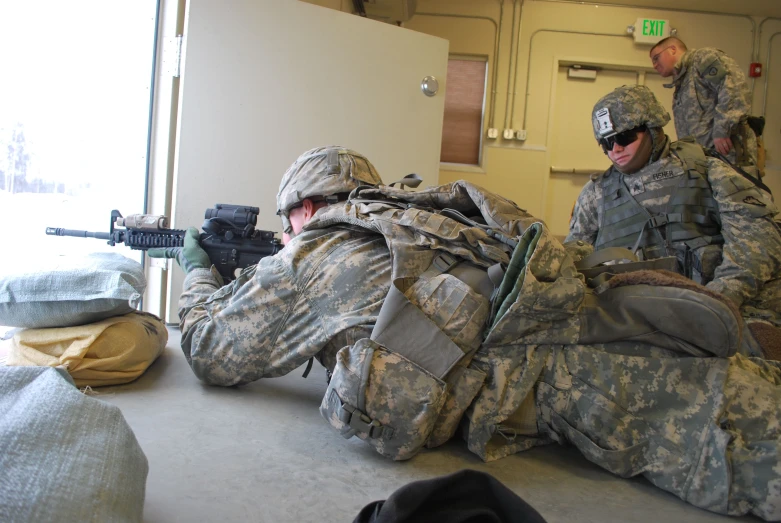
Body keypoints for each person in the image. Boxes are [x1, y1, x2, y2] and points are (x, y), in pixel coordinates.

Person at [152, 145, 781, 520]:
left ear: (307, 208)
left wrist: (200, 274)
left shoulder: (315, 250)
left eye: (289, 222)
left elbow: (209, 350)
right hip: (616, 326)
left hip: (594, 391)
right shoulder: (418, 217)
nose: (288, 235)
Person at [566, 85, 781, 359]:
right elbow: (576, 257)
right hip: (633, 318)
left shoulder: (708, 171)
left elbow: (758, 244)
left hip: (719, 307)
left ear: (653, 128)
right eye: (606, 143)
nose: (616, 149)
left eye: (625, 136)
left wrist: (716, 301)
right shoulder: (596, 193)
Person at [649, 36, 757, 168]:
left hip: (728, 157)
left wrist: (722, 131)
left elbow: (734, 88)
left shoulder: (702, 59)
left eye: (656, 58)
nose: (654, 65)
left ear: (672, 49)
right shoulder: (682, 80)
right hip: (704, 161)